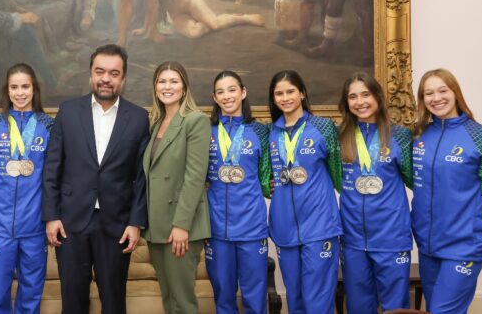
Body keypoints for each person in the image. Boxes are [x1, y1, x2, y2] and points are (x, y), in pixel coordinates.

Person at [42, 44, 149, 314]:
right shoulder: (68, 111)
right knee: (73, 301)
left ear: (123, 78)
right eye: (100, 71)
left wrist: (135, 222)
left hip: (117, 225)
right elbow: (52, 167)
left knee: (113, 302)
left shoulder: (138, 118)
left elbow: (141, 176)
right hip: (70, 223)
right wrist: (51, 216)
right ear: (90, 74)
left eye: (114, 73)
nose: (106, 78)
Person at [412, 69, 482, 314]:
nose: (436, 98)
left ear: (455, 92)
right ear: (422, 99)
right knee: (437, 309)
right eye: (429, 93)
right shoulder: (419, 135)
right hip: (427, 247)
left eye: (443, 90)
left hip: (465, 246)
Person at [266, 70, 342, 314]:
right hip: (284, 228)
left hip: (319, 226)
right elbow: (266, 176)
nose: (285, 98)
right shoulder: (271, 132)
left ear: (302, 93)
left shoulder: (323, 127)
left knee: (317, 300)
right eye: (279, 93)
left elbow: (338, 173)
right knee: (295, 298)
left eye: (290, 91)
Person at [337, 73, 413, 314]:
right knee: (358, 306)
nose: (360, 102)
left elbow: (415, 180)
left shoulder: (399, 135)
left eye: (365, 94)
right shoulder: (340, 136)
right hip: (353, 238)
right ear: (346, 102)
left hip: (391, 236)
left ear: (378, 97)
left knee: (395, 308)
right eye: (353, 96)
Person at [0, 64, 54, 314]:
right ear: (7, 90)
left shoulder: (48, 125)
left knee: (31, 291)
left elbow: (53, 173)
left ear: (34, 89)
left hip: (34, 225)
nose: (20, 93)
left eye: (25, 86)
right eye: (14, 87)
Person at [142, 61, 210, 314]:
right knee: (169, 300)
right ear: (155, 87)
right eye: (162, 81)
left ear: (184, 87)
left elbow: (195, 177)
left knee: (182, 302)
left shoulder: (195, 121)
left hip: (181, 227)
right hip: (156, 225)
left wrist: (181, 225)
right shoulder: (155, 123)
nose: (167, 87)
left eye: (174, 81)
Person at [205, 71, 271, 314]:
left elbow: (269, 176)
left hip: (252, 227)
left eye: (232, 89)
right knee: (223, 297)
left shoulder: (261, 131)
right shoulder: (206, 131)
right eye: (220, 92)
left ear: (243, 92)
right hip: (216, 227)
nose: (227, 96)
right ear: (214, 97)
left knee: (255, 297)